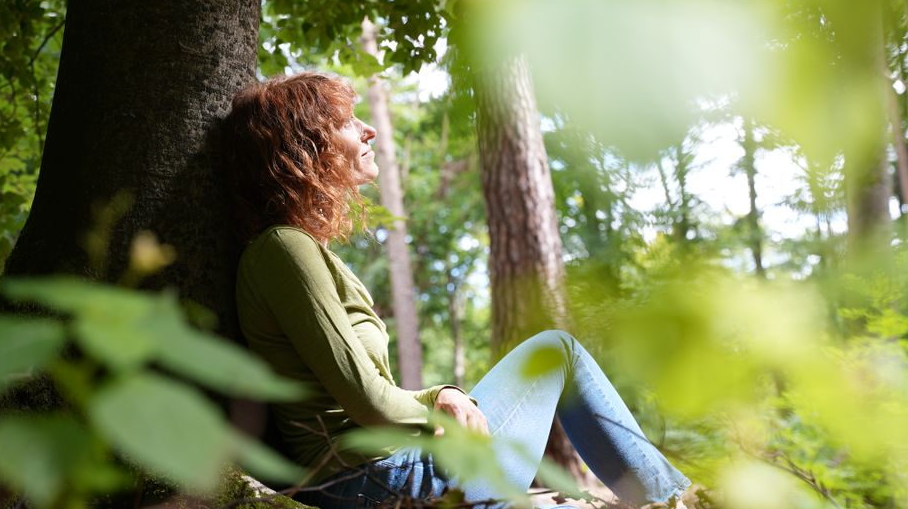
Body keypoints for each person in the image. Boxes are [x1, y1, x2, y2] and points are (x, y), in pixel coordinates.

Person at [224, 72, 691, 509]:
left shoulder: (297, 250)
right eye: (347, 122)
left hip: (382, 474)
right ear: (306, 147)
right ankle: (672, 501)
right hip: (378, 482)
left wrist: (442, 393)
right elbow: (368, 401)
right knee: (558, 350)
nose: (369, 131)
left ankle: (667, 498)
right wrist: (441, 399)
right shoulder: (284, 249)